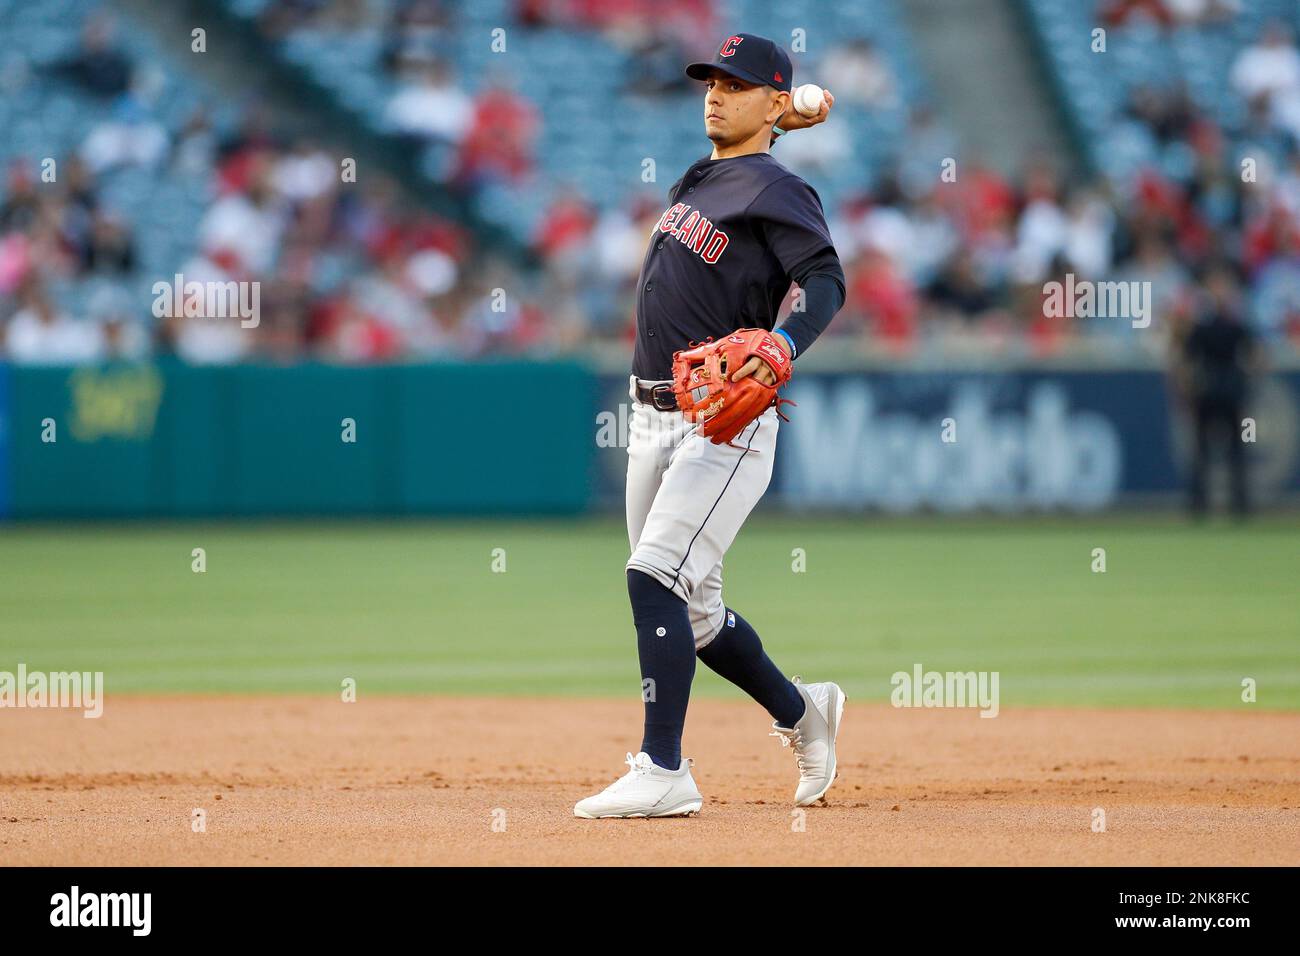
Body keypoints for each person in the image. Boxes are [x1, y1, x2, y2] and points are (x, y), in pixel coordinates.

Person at [574, 34, 847, 819]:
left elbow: (824, 282)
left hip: (723, 422)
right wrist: (781, 111)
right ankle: (803, 712)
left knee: (653, 574)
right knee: (691, 613)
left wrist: (785, 345)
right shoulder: (707, 176)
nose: (713, 94)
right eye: (709, 81)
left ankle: (665, 770)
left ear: (767, 99)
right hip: (651, 416)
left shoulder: (782, 189)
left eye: (735, 84)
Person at [1179, 263, 1260, 517]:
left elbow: (1255, 355)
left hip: (1226, 391)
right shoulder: (1206, 325)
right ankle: (1204, 504)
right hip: (1213, 390)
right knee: (1207, 451)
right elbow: (1187, 361)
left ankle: (1235, 505)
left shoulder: (1234, 324)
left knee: (1232, 450)